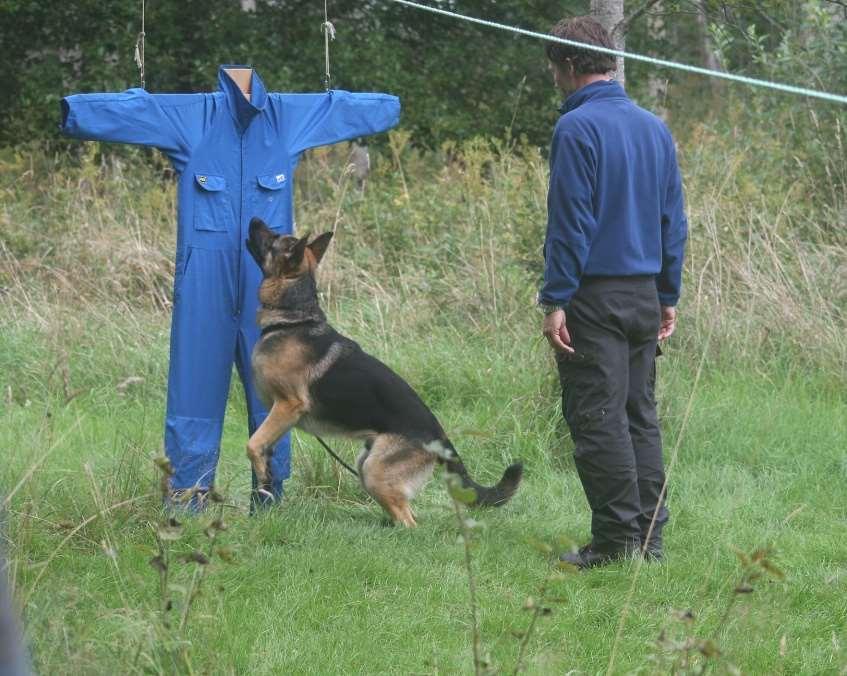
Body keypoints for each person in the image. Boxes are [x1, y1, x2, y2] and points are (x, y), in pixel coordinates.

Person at [537, 17, 688, 568]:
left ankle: (617, 543)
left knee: (599, 418)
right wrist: (667, 293)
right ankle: (648, 540)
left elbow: (570, 223)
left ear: (570, 66)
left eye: (555, 68)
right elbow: (674, 221)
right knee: (638, 416)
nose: (555, 77)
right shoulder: (655, 127)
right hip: (645, 293)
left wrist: (555, 300)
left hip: (594, 299)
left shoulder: (576, 130)